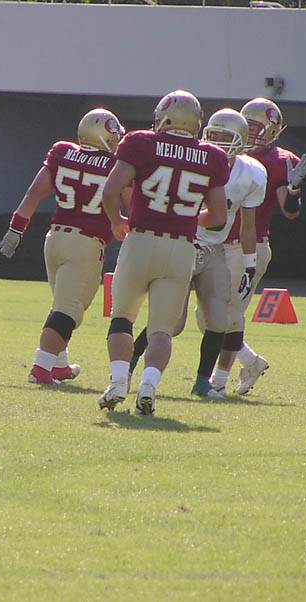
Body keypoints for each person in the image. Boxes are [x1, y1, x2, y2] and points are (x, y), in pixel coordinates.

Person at [97, 89, 229, 416]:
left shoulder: (141, 142)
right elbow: (218, 216)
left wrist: (117, 221)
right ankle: (148, 386)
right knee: (161, 329)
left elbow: (111, 190)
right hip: (181, 248)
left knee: (123, 318)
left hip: (141, 241)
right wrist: (186, 218)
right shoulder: (212, 156)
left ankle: (118, 382)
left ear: (163, 118)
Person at [126, 108, 264, 400]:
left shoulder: (252, 173)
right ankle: (129, 366)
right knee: (171, 322)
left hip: (215, 249)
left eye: (225, 137)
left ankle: (203, 382)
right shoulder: (199, 158)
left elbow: (248, 224)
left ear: (240, 140)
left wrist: (250, 264)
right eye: (214, 135)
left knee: (219, 318)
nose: (218, 142)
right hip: (185, 243)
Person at [0, 108, 128, 385]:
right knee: (69, 310)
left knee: (62, 304)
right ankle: (40, 368)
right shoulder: (116, 165)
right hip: (86, 245)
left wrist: (15, 229)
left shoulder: (63, 152)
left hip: (55, 239)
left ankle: (59, 365)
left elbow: (34, 192)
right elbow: (131, 202)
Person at [209, 97, 306, 396]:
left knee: (230, 315)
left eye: (257, 128)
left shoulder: (279, 160)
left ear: (272, 131)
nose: (251, 134)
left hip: (249, 246)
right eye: (248, 127)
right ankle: (250, 362)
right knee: (207, 317)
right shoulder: (223, 153)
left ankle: (218, 382)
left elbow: (290, 212)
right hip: (216, 243)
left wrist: (293, 190)